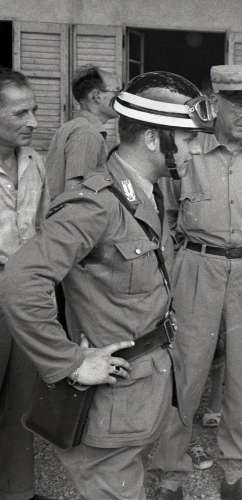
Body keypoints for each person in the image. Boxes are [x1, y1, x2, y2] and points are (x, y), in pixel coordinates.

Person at [0, 70, 210, 498]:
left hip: (137, 395)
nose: (195, 149)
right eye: (188, 139)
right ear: (152, 138)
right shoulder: (96, 204)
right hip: (111, 406)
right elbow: (21, 282)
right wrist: (69, 362)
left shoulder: (146, 192)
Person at [151, 65, 242, 500]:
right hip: (196, 266)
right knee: (184, 371)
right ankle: (170, 474)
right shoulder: (187, 152)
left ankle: (235, 472)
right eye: (238, 106)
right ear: (215, 104)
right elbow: (167, 216)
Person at [0, 68, 55, 500]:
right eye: (21, 113)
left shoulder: (36, 162)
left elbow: (44, 228)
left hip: (25, 297)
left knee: (20, 401)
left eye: (33, 110)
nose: (33, 121)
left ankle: (17, 491)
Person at [45, 65, 122, 199]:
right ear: (97, 96)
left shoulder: (74, 127)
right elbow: (76, 193)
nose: (121, 98)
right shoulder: (86, 133)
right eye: (117, 92)